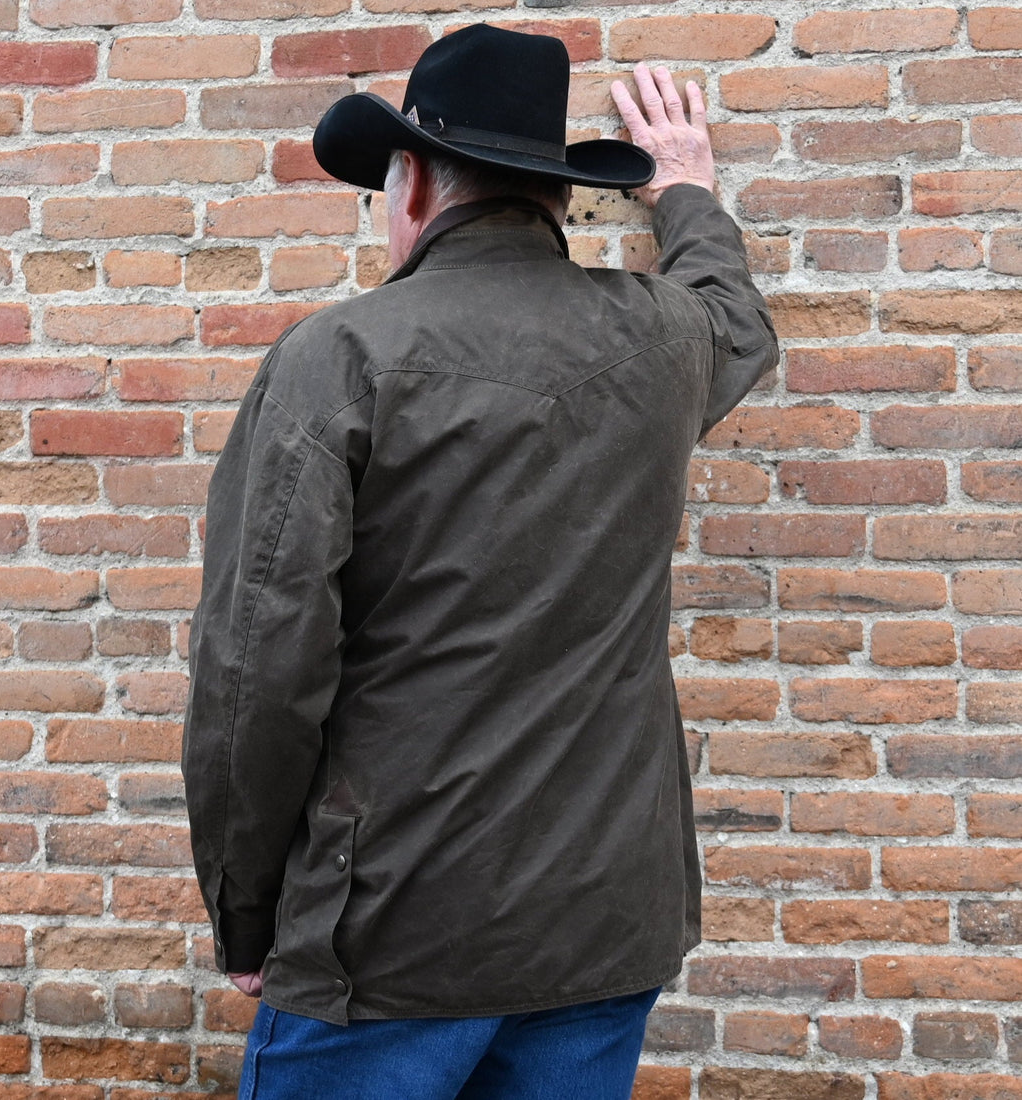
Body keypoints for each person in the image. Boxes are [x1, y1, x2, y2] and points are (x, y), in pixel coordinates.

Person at [182, 23, 778, 1100]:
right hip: (601, 922)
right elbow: (737, 322)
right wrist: (685, 191)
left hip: (394, 937)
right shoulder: (661, 341)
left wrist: (250, 913)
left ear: (409, 185)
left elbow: (255, 669)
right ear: (555, 196)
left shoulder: (339, 358)